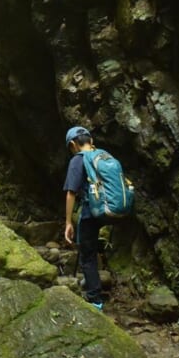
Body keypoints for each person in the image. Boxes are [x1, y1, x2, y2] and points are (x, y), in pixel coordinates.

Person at [63, 125, 108, 311]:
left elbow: (71, 193)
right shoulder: (103, 157)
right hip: (105, 209)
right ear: (91, 141)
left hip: (89, 212)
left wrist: (67, 222)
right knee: (91, 249)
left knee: (87, 256)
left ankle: (95, 300)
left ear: (73, 144)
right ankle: (92, 282)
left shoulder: (78, 160)